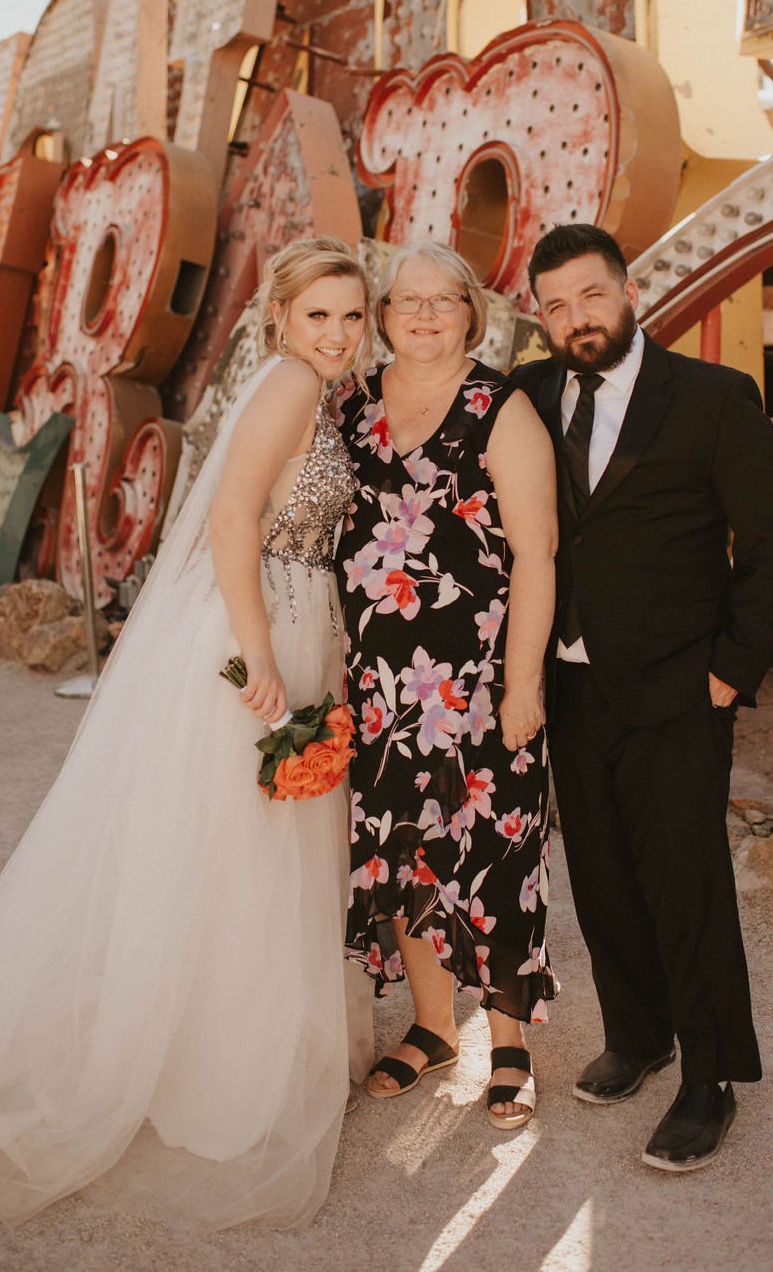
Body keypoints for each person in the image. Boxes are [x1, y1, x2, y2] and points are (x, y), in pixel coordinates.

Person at [0, 237, 374, 1228]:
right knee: (244, 841)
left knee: (247, 842)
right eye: (318, 313)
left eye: (350, 315)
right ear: (280, 318)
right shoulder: (287, 386)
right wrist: (262, 664)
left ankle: (225, 1036)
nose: (335, 332)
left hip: (285, 617)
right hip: (256, 626)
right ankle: (219, 1060)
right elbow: (234, 525)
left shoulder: (312, 390)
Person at [510, 222, 773, 1170]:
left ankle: (710, 1079)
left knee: (687, 883)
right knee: (600, 877)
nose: (575, 319)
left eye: (591, 296)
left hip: (683, 686)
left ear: (629, 290)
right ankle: (640, 1037)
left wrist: (732, 668)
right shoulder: (526, 395)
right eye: (555, 306)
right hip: (573, 680)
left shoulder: (715, 398)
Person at [336, 242, 558, 1129]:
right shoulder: (352, 408)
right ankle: (433, 1029)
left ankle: (508, 1047)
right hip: (380, 690)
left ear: (472, 311)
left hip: (476, 684)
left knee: (497, 862)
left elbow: (536, 558)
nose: (423, 315)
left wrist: (522, 686)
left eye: (442, 299)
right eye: (404, 301)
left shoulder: (500, 408)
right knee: (404, 856)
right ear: (383, 316)